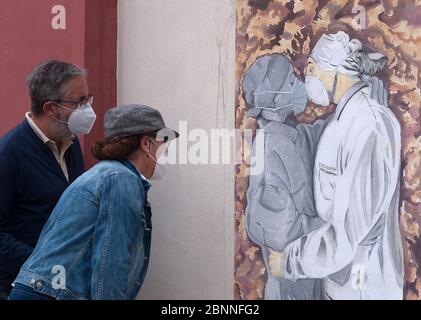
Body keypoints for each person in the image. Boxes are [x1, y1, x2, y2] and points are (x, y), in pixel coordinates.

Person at [268, 31, 403, 300]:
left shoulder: (368, 127)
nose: (309, 78)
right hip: (341, 284)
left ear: (335, 71)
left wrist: (290, 261)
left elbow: (347, 230)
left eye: (313, 69)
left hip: (365, 289)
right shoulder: (344, 121)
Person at [9, 104, 179, 300]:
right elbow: (111, 264)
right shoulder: (121, 180)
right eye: (163, 143)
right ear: (146, 144)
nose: (165, 152)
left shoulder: (106, 174)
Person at [0, 60, 94, 299]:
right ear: (51, 108)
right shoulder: (10, 153)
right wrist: (43, 264)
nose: (88, 109)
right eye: (79, 101)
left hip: (63, 287)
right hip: (20, 288)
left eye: (88, 99)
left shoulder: (71, 144)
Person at [242, 54, 328, 300]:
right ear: (275, 98)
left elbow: (317, 133)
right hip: (289, 287)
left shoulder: (292, 136)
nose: (298, 85)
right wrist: (327, 230)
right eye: (290, 81)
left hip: (308, 277)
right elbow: (277, 229)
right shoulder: (268, 148)